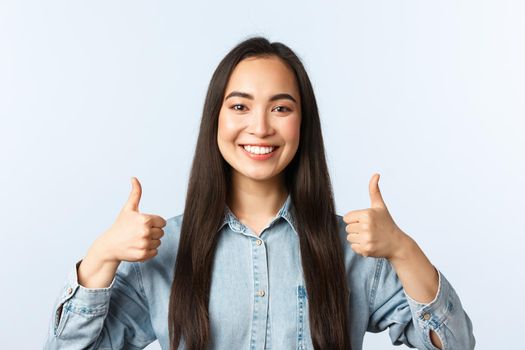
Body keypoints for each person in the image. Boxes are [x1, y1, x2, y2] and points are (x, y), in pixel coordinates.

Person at [44, 36, 475, 350]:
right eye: (239, 106)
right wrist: (101, 256)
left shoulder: (356, 249)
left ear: (302, 125)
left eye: (281, 107)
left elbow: (455, 346)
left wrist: (402, 249)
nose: (261, 126)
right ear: (216, 119)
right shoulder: (163, 251)